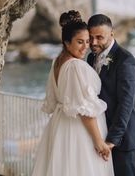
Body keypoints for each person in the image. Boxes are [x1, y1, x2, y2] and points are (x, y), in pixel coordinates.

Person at [31, 11, 114, 176]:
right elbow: (84, 111)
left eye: (88, 41)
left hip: (61, 125)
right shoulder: (76, 66)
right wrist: (99, 142)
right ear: (67, 43)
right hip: (78, 131)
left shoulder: (58, 61)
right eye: (79, 42)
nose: (85, 47)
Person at [87, 13, 135, 176]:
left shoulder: (126, 61)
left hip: (123, 138)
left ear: (112, 34)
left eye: (99, 37)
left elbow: (126, 104)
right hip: (101, 134)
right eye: (90, 37)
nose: (94, 42)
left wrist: (111, 140)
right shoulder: (91, 58)